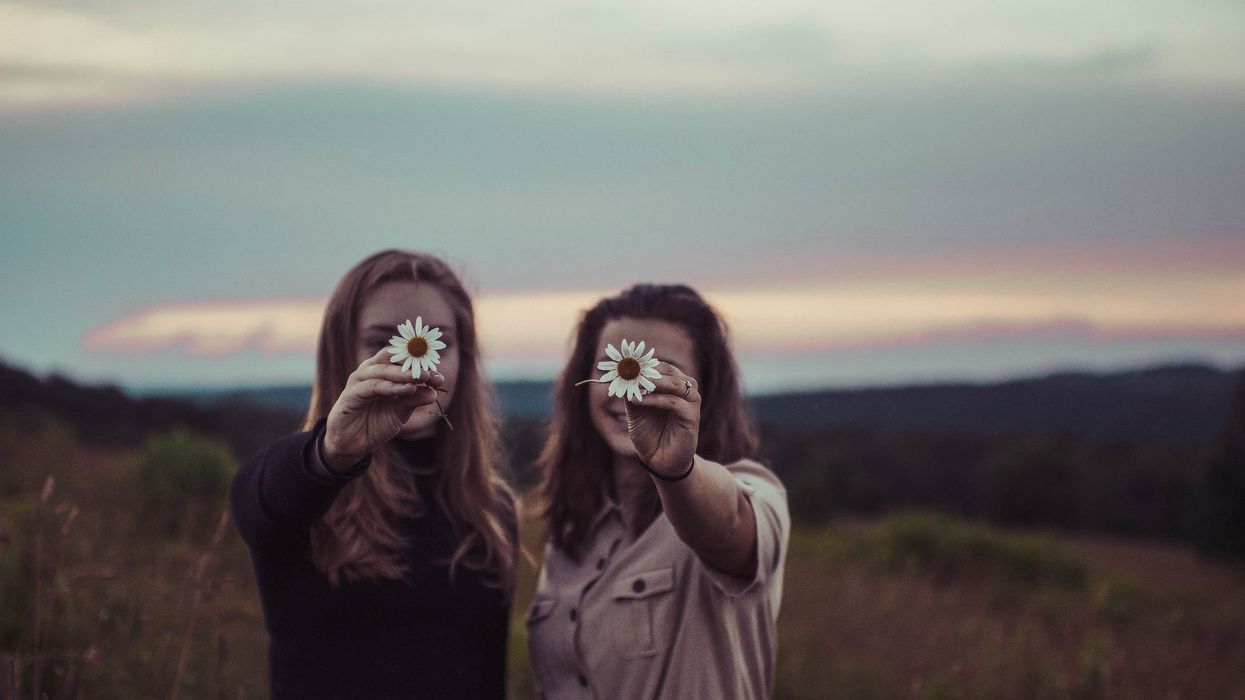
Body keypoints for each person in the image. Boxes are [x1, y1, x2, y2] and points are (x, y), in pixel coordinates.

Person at [230, 250, 517, 699]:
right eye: (383, 341)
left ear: (466, 358)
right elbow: (261, 499)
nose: (413, 361)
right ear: (340, 353)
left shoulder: (492, 509)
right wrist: (332, 454)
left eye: (435, 341)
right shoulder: (306, 487)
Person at [527, 283, 790, 699]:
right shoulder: (573, 530)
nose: (628, 388)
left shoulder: (753, 490)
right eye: (613, 367)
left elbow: (729, 528)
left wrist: (677, 470)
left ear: (703, 388)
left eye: (660, 370)